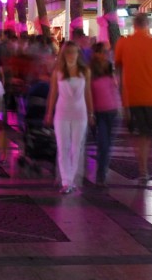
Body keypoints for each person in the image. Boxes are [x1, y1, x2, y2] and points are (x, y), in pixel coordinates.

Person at [114, 13, 152, 185]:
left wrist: (120, 87)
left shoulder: (123, 43)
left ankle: (142, 166)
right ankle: (143, 168)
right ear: (147, 25)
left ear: (134, 25)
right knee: (147, 134)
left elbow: (117, 67)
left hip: (130, 96)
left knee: (136, 133)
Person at [45, 41, 94, 194]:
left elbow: (88, 93)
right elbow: (53, 93)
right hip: (62, 113)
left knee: (76, 147)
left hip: (80, 113)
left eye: (74, 52)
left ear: (78, 54)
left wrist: (91, 113)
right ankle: (66, 181)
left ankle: (71, 179)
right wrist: (49, 112)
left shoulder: (84, 71)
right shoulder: (58, 72)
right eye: (68, 52)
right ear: (63, 54)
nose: (71, 55)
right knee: (63, 146)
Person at [90, 42, 121, 187]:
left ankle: (102, 171)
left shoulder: (109, 67)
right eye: (103, 52)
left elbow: (115, 87)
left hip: (113, 111)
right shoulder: (91, 71)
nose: (104, 55)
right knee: (103, 144)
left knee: (107, 145)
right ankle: (101, 173)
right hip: (100, 112)